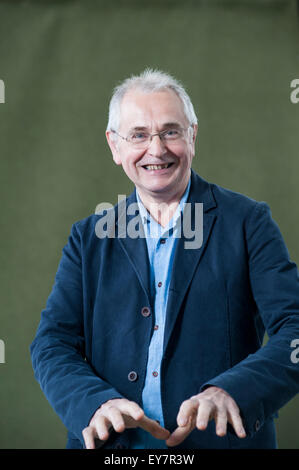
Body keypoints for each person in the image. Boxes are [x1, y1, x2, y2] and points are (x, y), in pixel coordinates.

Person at [30, 69, 299, 450]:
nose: (156, 150)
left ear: (192, 136)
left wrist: (233, 391)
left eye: (170, 131)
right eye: (138, 135)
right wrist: (95, 403)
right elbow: (52, 343)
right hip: (115, 448)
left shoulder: (247, 222)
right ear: (115, 146)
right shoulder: (88, 237)